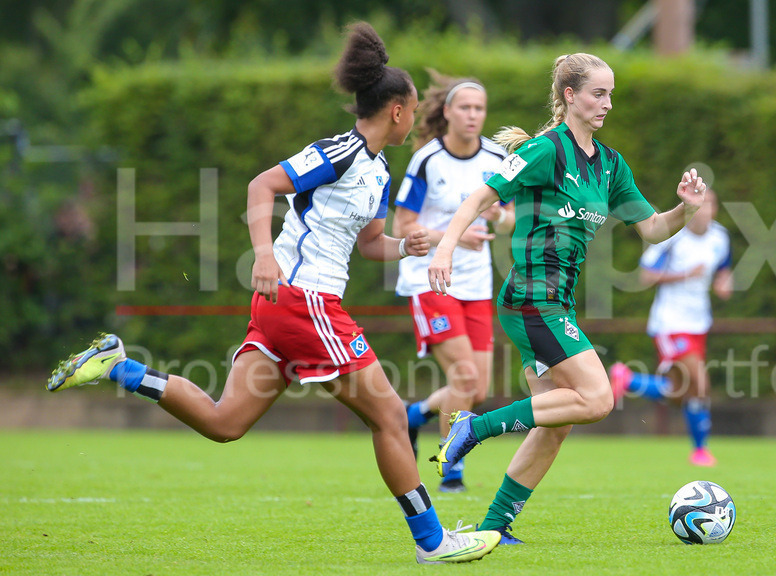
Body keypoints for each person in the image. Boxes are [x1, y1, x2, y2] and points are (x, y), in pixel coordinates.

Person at [45, 22, 500, 565]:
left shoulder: (377, 171)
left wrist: (409, 248)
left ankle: (120, 368)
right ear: (398, 110)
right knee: (388, 418)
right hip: (304, 301)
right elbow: (262, 184)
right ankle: (434, 542)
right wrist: (264, 254)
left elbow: (372, 242)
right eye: (410, 111)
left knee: (224, 423)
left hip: (288, 308)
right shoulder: (341, 152)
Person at [424, 53, 707, 544]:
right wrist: (445, 248)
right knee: (597, 398)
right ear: (570, 96)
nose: (608, 104)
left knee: (558, 419)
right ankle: (475, 427)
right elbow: (478, 198)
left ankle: (495, 526)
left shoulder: (611, 165)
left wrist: (686, 208)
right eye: (599, 94)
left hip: (556, 304)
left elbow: (654, 229)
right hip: (532, 300)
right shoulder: (544, 150)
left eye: (611, 94)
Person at [392, 72, 514, 493]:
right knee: (464, 379)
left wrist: (497, 215)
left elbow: (512, 216)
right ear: (446, 112)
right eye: (464, 107)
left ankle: (414, 414)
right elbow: (404, 223)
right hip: (430, 281)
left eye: (479, 108)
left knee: (477, 389)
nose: (472, 115)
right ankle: (451, 467)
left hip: (476, 286)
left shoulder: (499, 159)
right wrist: (457, 235)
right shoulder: (428, 159)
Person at [609, 189, 733, 467]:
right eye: (700, 205)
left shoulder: (720, 237)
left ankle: (628, 380)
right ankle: (700, 450)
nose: (704, 210)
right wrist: (685, 274)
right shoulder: (673, 236)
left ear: (714, 209)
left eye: (710, 204)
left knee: (679, 394)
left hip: (699, 323)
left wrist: (724, 284)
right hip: (670, 323)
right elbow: (646, 274)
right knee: (700, 384)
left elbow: (724, 270)